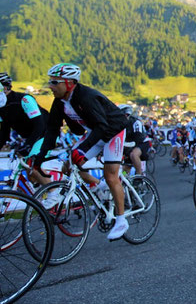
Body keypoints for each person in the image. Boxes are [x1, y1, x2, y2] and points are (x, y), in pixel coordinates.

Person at [33, 63, 131, 241]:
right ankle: (98, 188)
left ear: (69, 83)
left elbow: (103, 126)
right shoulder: (60, 102)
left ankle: (121, 220)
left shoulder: (87, 97)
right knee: (69, 166)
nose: (50, 86)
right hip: (97, 131)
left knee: (110, 176)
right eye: (49, 82)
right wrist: (40, 157)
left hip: (113, 130)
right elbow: (52, 131)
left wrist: (84, 150)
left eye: (55, 82)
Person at [0, 72, 52, 186]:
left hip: (46, 132)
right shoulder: (2, 106)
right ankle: (40, 197)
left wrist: (28, 144)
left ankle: (54, 193)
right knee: (30, 173)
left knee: (32, 166)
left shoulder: (24, 99)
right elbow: (4, 134)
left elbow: (40, 125)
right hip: (32, 135)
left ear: (5, 87)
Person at [118, 104, 151, 176]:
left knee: (133, 155)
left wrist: (127, 148)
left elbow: (138, 137)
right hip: (130, 144)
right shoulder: (120, 124)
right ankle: (125, 180)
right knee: (125, 168)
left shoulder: (136, 122)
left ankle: (139, 174)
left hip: (142, 142)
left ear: (127, 114)